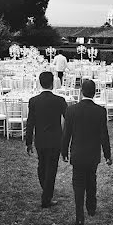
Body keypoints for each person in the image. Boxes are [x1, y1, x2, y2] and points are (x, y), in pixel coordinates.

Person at [61, 79, 111, 225]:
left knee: (78, 185)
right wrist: (107, 155)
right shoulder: (100, 111)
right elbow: (104, 135)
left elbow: (66, 134)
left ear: (81, 92)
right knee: (91, 178)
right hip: (93, 153)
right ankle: (91, 206)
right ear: (95, 93)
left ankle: (80, 218)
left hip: (77, 153)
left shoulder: (71, 110)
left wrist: (64, 151)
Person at [25, 71, 68, 208]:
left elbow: (30, 122)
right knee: (51, 168)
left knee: (42, 165)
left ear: (40, 82)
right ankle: (46, 196)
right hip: (55, 138)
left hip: (40, 139)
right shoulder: (59, 101)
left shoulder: (34, 101)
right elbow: (68, 118)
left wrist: (28, 142)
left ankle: (46, 190)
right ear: (53, 83)